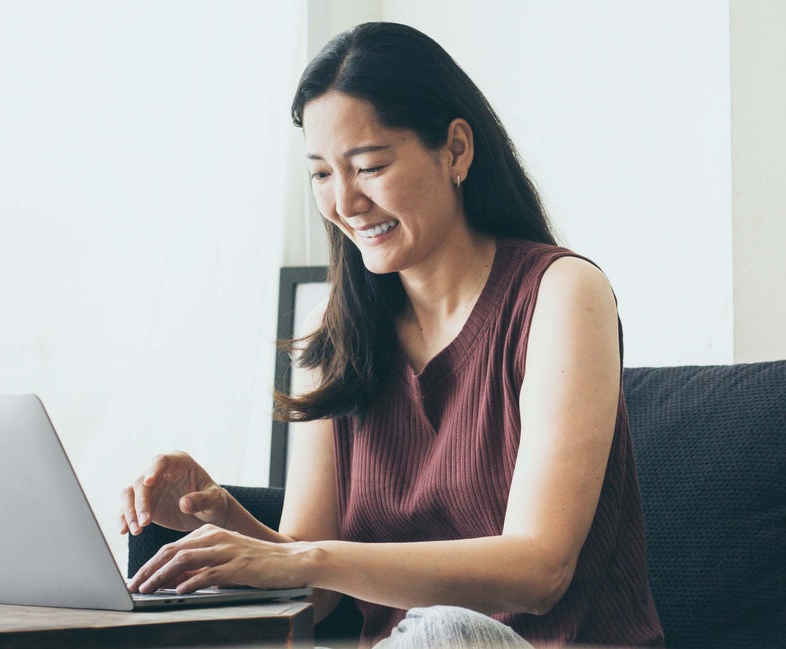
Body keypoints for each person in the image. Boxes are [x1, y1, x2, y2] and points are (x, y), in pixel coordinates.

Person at [117, 22, 665, 649]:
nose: (345, 201)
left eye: (369, 166)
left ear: (455, 150)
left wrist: (310, 561)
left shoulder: (560, 293)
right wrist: (222, 516)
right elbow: (315, 594)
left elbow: (539, 570)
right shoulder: (337, 341)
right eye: (322, 174)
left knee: (445, 633)